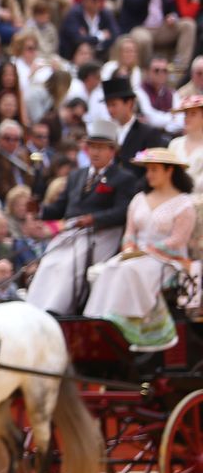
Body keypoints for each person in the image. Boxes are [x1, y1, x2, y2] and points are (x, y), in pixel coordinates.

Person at [27, 119, 142, 315]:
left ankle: (56, 309)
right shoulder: (77, 175)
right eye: (92, 147)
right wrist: (40, 211)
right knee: (50, 260)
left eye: (101, 148)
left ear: (112, 151)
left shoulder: (123, 178)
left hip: (101, 233)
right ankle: (34, 307)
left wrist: (93, 218)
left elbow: (122, 211)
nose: (95, 152)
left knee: (71, 263)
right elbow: (60, 207)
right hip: (71, 231)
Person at [84, 149, 196, 350]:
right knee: (108, 268)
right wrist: (129, 247)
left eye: (154, 170)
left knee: (130, 270)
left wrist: (150, 250)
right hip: (136, 256)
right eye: (147, 170)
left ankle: (128, 326)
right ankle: (98, 321)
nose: (149, 174)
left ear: (169, 171)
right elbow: (130, 232)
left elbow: (178, 240)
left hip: (168, 260)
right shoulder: (139, 199)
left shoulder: (184, 203)